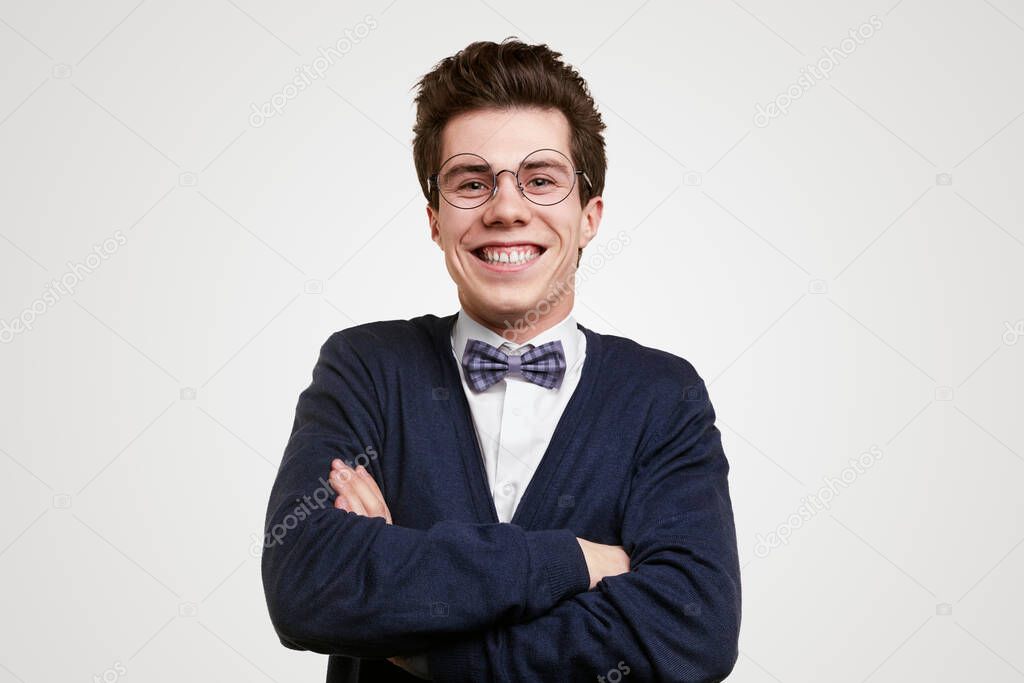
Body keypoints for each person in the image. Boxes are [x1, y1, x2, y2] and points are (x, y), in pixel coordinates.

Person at [261, 37, 741, 682]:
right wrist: (575, 563)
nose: (507, 208)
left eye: (541, 180)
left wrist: (424, 646)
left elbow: (690, 632)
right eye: (471, 182)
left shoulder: (662, 394)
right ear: (435, 220)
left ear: (589, 215)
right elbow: (308, 586)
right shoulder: (367, 367)